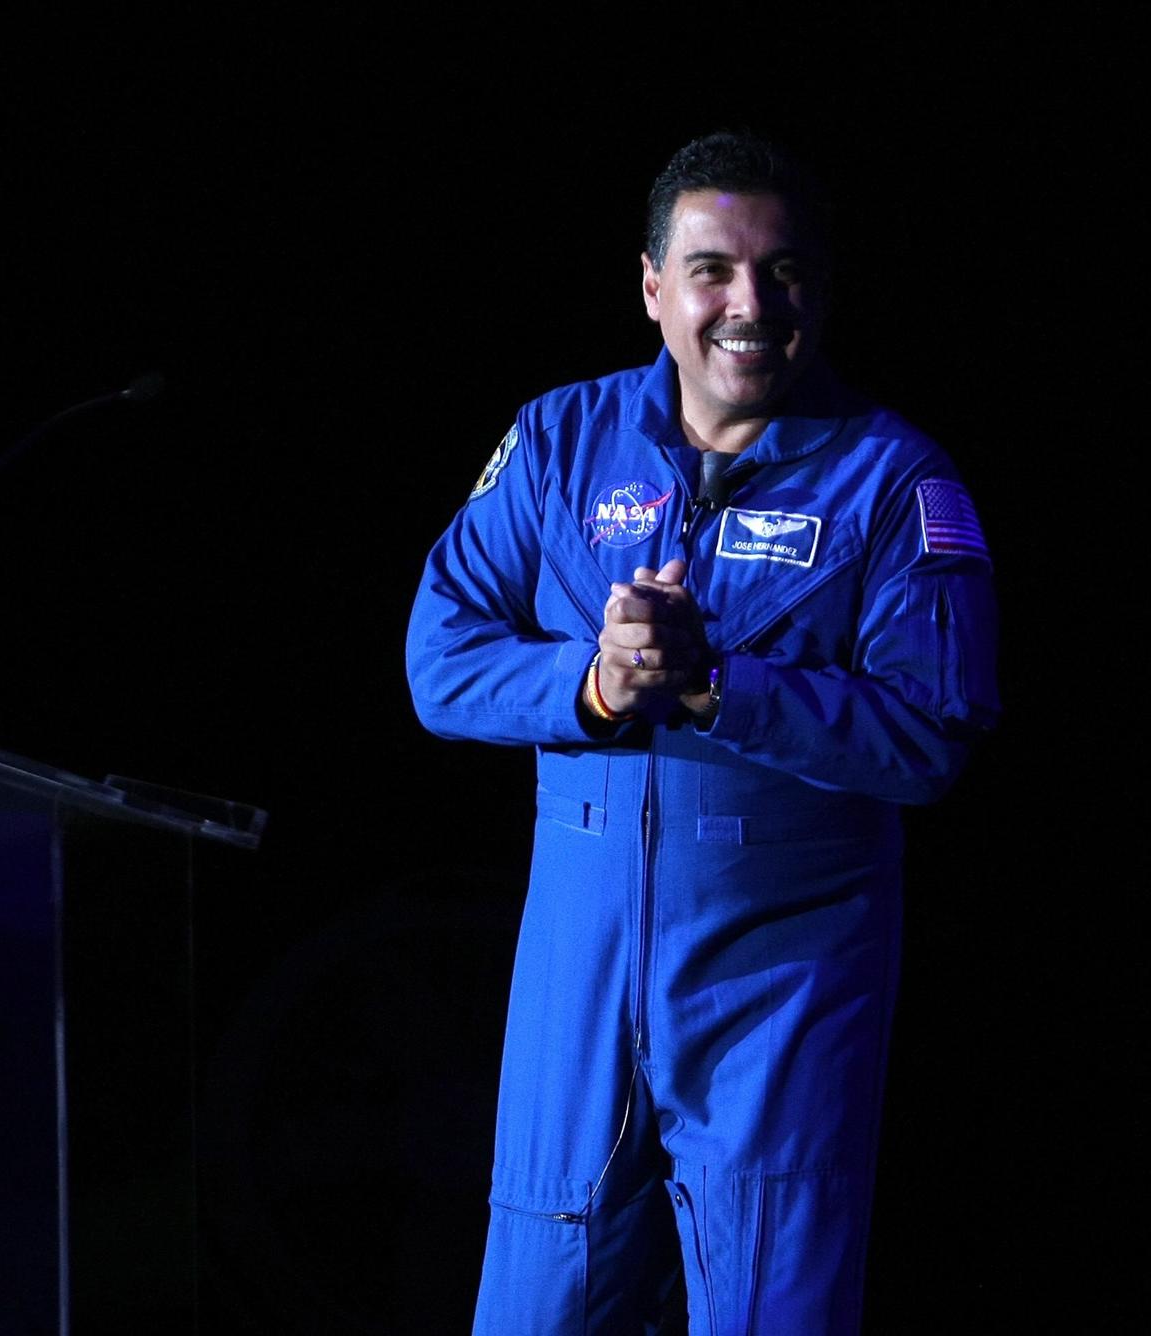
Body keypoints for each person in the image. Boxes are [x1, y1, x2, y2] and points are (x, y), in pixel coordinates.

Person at [404, 132, 998, 1334]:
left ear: (818, 290)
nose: (748, 302)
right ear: (653, 287)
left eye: (782, 272)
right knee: (536, 1308)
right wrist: (597, 686)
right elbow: (439, 659)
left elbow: (934, 732)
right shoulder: (562, 441)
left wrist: (721, 685)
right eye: (713, 268)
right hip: (576, 979)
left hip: (778, 990)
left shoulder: (894, 481)